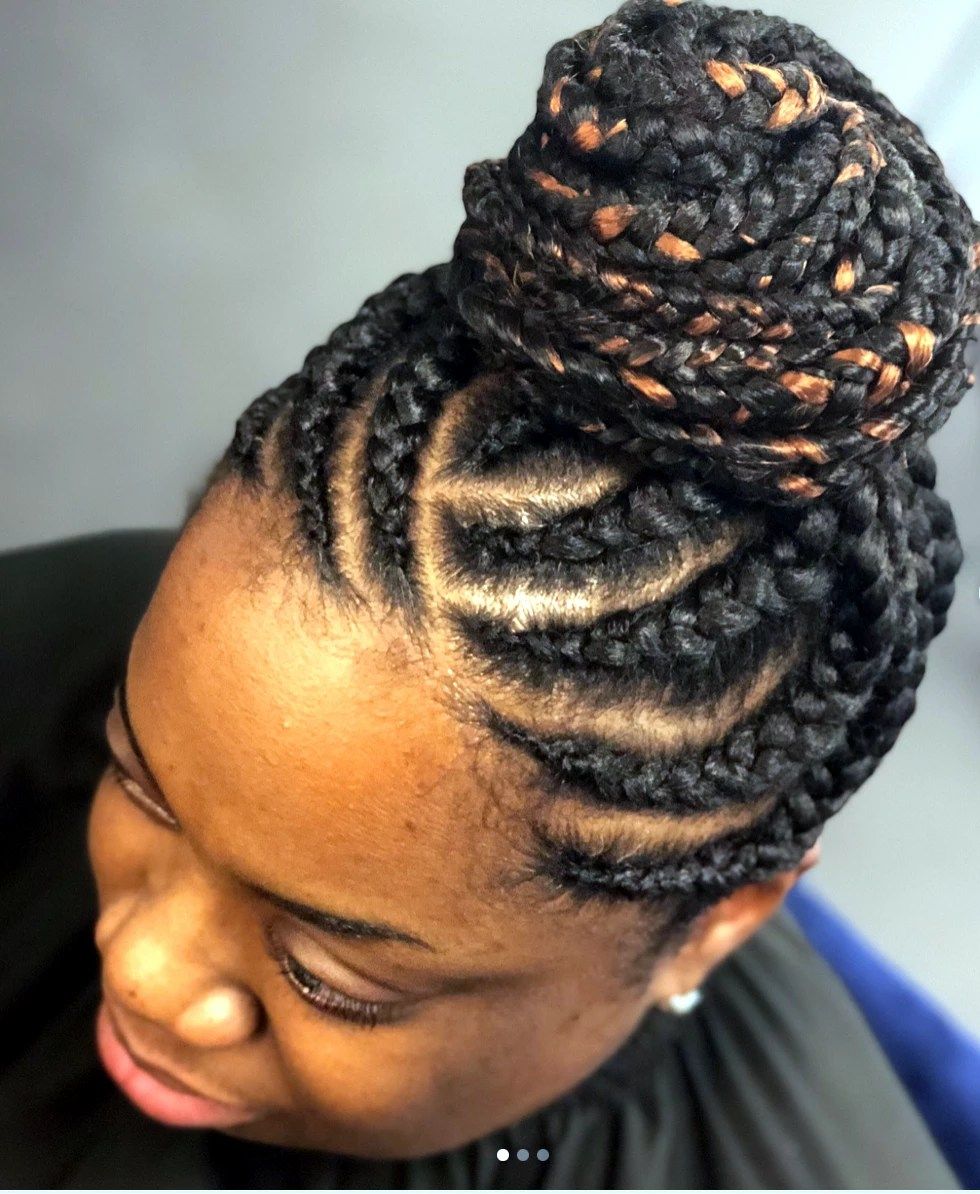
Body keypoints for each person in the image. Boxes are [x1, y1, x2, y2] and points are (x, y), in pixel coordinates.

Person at [1, 0, 976, 1186]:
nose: (145, 968)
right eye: (137, 782)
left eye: (329, 977)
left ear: (718, 925)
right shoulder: (56, 644)